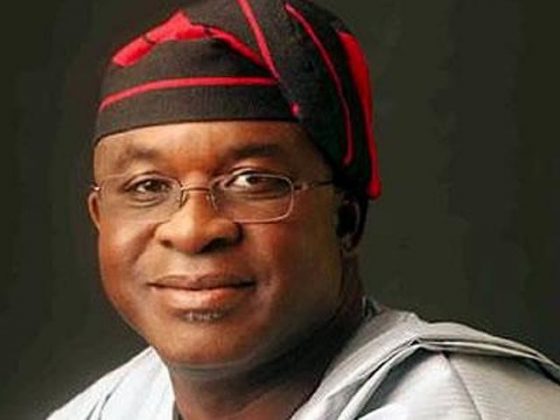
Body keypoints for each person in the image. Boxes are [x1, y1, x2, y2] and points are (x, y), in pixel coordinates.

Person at [48, 0, 560, 418]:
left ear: (345, 220)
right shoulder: (106, 409)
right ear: (100, 218)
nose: (193, 229)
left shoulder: (460, 407)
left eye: (252, 181)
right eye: (147, 186)